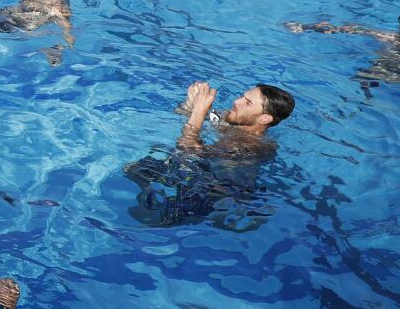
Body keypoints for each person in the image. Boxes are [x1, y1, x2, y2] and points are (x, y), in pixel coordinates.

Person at [123, 81, 293, 226]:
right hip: (203, 171)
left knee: (159, 218)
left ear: (265, 119)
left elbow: (187, 151)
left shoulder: (254, 146)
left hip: (218, 192)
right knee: (135, 168)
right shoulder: (233, 120)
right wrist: (190, 105)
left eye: (247, 102)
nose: (236, 101)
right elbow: (187, 117)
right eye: (242, 96)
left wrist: (198, 112)